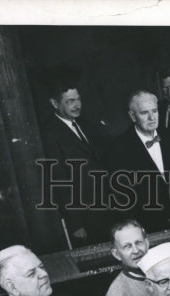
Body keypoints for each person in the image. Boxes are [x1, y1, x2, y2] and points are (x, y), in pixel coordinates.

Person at [40, 70, 108, 245]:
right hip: (85, 216)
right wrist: (75, 223)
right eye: (70, 101)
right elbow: (59, 180)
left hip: (106, 208)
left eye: (78, 99)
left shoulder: (85, 124)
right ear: (55, 103)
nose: (77, 105)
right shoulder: (49, 134)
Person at [107, 91, 170, 232]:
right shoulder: (119, 148)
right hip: (147, 226)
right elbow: (122, 196)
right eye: (144, 113)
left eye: (155, 111)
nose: (152, 117)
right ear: (133, 116)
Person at [103, 220, 152, 296]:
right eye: (127, 246)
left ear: (147, 243)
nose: (136, 250)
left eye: (139, 242)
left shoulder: (166, 272)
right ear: (116, 254)